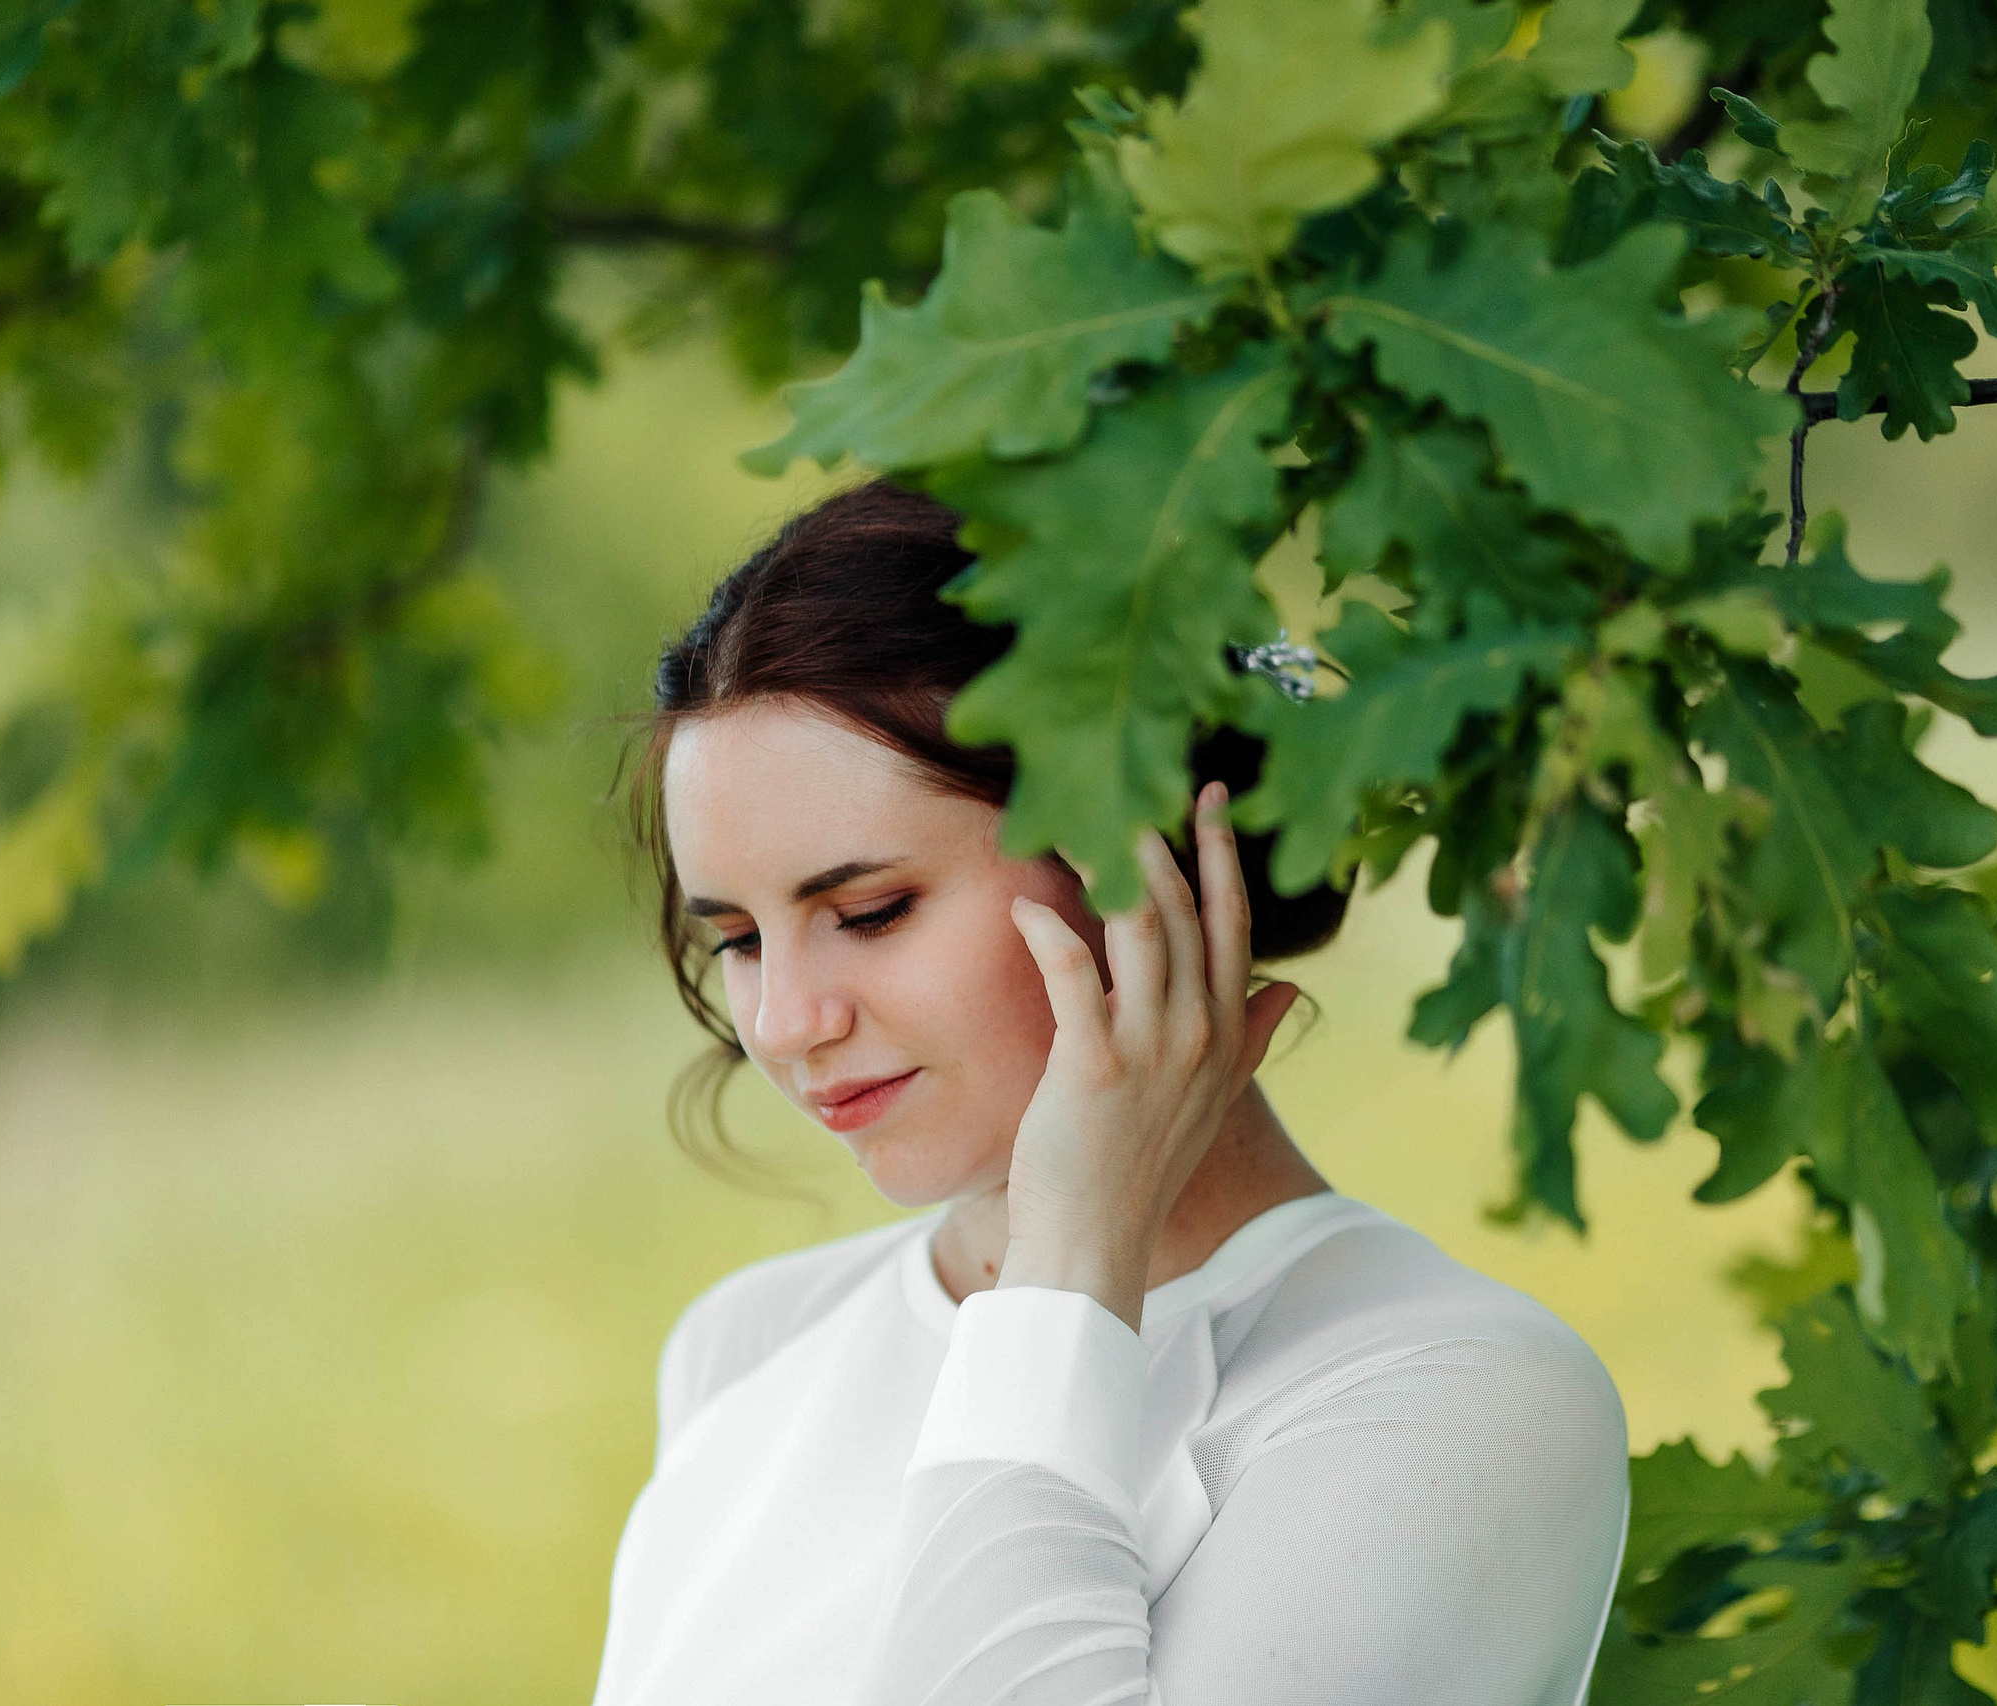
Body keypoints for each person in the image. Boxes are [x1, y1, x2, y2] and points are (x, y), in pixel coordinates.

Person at [587, 479, 1631, 1706]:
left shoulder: (1460, 1396)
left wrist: (1074, 1253)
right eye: (741, 938)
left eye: (869, 913)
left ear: (1142, 873)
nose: (784, 1021)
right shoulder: (745, 1347)